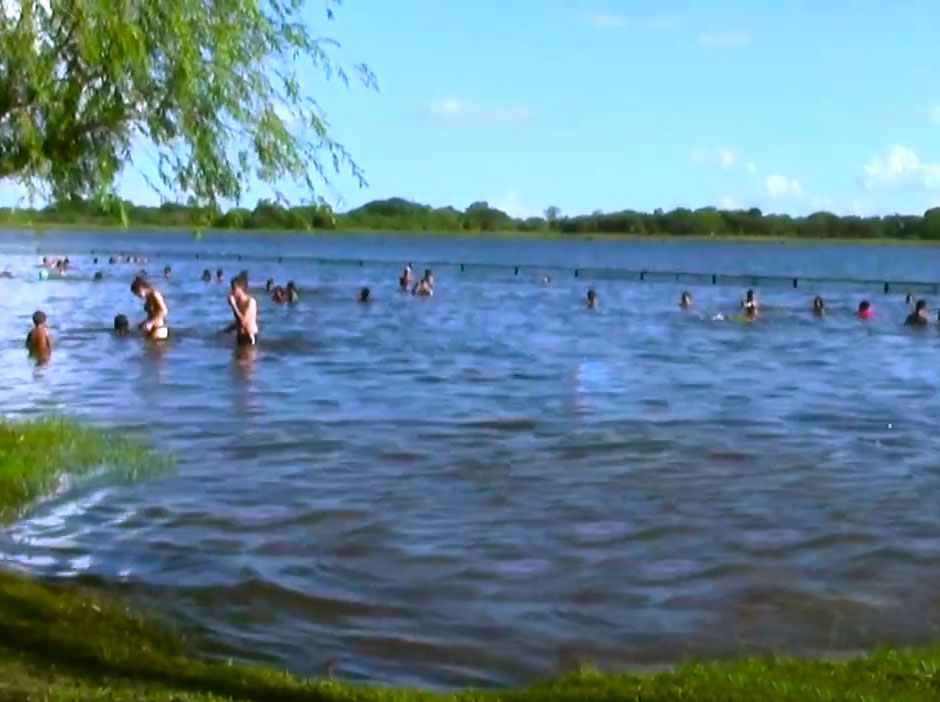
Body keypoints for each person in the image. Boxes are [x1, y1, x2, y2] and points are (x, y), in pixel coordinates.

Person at [130, 276, 169, 340]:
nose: (137, 296)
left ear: (141, 288)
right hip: (151, 329)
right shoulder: (148, 298)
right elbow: (152, 315)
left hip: (159, 329)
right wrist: (143, 323)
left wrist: (150, 323)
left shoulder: (155, 294)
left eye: (137, 293)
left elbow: (164, 311)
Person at [227, 276, 258, 345]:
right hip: (240, 336)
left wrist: (233, 305)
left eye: (234, 289)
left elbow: (243, 321)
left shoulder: (250, 302)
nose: (232, 291)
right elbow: (238, 321)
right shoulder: (238, 302)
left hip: (250, 337)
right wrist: (228, 329)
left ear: (240, 289)